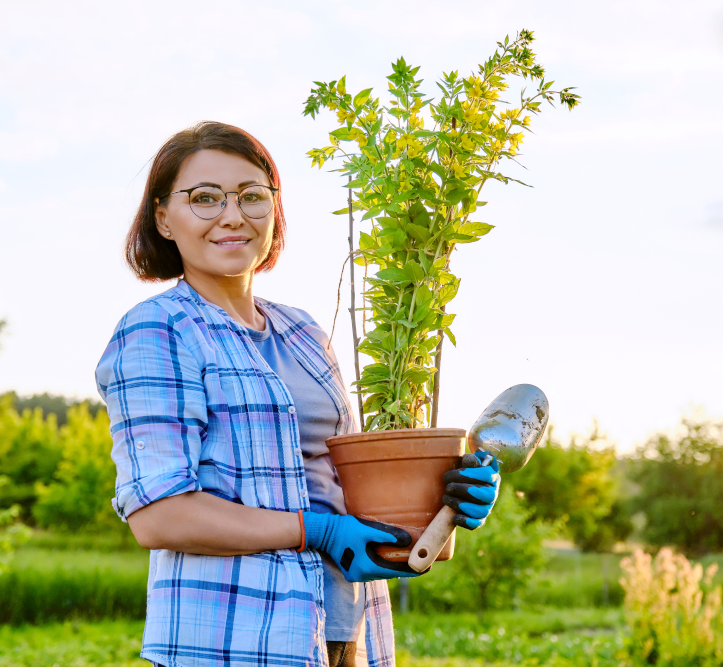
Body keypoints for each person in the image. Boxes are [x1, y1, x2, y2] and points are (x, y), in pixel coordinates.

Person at [95, 121, 500, 667]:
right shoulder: (158, 330)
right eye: (205, 199)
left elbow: (347, 486)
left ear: (274, 211)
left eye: (252, 196)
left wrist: (447, 494)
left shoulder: (304, 333)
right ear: (164, 218)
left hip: (343, 631)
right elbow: (160, 515)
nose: (232, 215)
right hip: (232, 639)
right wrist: (317, 530)